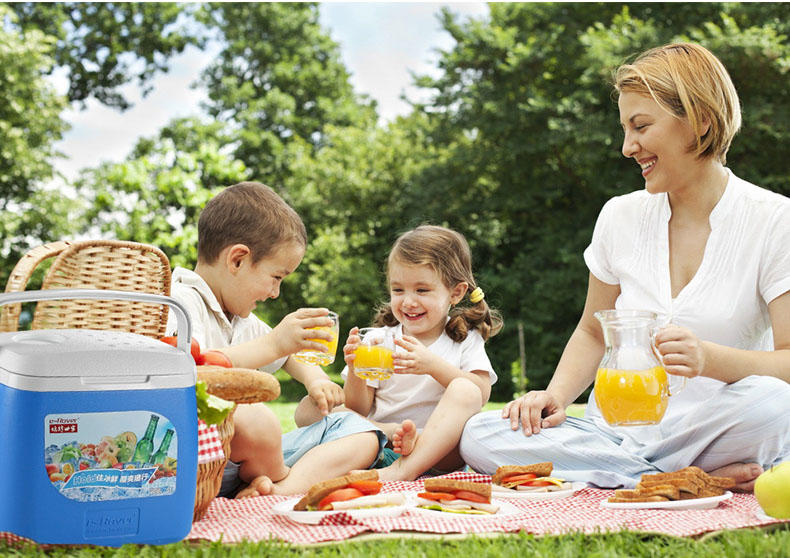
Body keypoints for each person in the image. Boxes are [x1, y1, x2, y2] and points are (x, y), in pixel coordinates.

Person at [460, 42, 790, 492]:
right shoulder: (620, 215)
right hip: (612, 431)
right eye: (624, 128)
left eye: (640, 126)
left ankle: (638, 472)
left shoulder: (773, 220)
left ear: (700, 122)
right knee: (480, 434)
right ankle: (670, 479)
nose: (627, 147)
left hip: (718, 428)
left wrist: (709, 359)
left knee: (776, 402)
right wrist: (554, 397)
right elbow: (593, 331)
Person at [166, 181, 386, 498]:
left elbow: (288, 355)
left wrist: (316, 380)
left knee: (363, 432)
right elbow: (194, 368)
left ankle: (275, 488)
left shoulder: (239, 317)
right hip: (200, 457)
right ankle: (279, 479)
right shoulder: (181, 303)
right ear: (237, 260)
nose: (275, 293)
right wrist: (274, 344)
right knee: (257, 418)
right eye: (276, 278)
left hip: (247, 461)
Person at [298, 225, 503, 481]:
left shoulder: (463, 338)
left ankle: (405, 470)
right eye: (398, 290)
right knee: (310, 409)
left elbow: (480, 394)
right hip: (383, 448)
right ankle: (387, 434)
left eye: (422, 290)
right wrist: (355, 370)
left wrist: (432, 365)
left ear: (456, 292)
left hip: (440, 456)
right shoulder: (377, 339)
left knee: (465, 389)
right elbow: (357, 408)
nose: (408, 301)